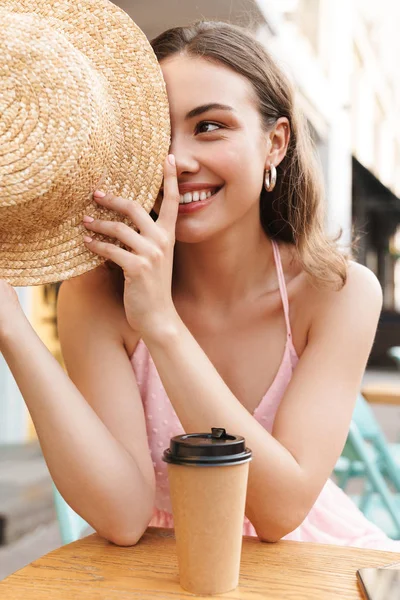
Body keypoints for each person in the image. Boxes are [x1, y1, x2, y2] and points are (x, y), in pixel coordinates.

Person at [0, 20, 399, 552]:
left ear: (275, 143)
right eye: (159, 136)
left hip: (303, 562)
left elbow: (280, 511)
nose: (180, 161)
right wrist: (12, 330)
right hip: (160, 566)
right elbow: (122, 518)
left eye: (210, 126)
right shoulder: (96, 293)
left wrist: (161, 325)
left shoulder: (338, 292)